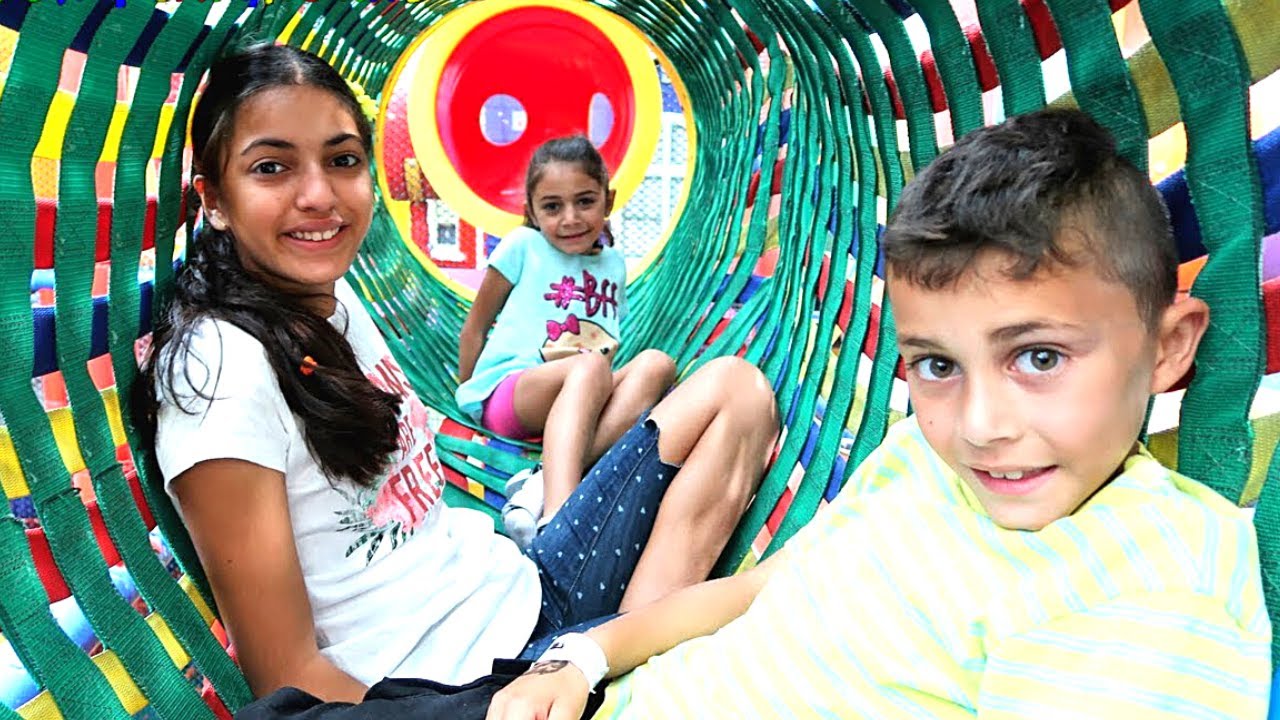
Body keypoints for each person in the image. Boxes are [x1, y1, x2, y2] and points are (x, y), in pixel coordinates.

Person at [485, 109, 1271, 719]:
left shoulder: (1147, 585)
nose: (980, 425)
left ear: (1170, 348)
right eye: (937, 365)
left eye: (1039, 357)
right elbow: (758, 591)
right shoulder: (920, 459)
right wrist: (581, 657)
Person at [137, 43, 778, 705]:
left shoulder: (331, 295)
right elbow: (290, 680)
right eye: (271, 167)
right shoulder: (219, 374)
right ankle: (626, 691)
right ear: (214, 198)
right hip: (474, 690)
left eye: (342, 160)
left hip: (528, 591)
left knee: (738, 393)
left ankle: (625, 673)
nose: (319, 195)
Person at [455, 136, 676, 548]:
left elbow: (610, 338)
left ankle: (539, 484)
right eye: (553, 207)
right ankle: (557, 520)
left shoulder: (614, 264)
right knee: (591, 364)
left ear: (608, 202)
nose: (570, 218)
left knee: (657, 364)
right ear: (532, 212)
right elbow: (475, 327)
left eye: (585, 201)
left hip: (579, 401)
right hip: (512, 393)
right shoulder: (524, 246)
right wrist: (468, 394)